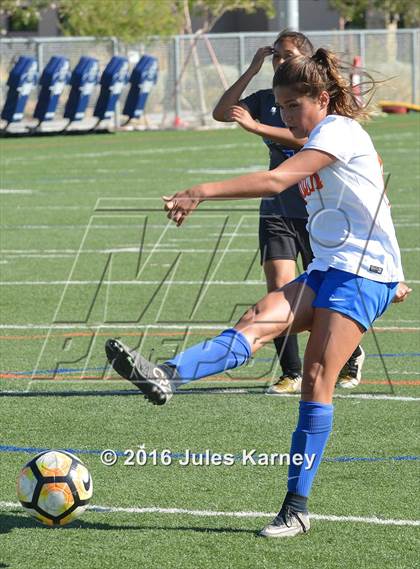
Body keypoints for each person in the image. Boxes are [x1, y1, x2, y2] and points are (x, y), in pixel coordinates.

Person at [105, 48, 410, 537]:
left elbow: (276, 180)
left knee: (314, 378)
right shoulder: (322, 136)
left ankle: (296, 506)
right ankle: (168, 375)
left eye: (295, 105)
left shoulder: (337, 131)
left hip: (361, 274)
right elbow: (376, 196)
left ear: (323, 99)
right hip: (335, 267)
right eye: (282, 107)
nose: (287, 115)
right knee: (258, 318)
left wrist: (201, 189)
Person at [212, 30, 365, 393]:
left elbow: (309, 141)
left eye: (286, 55)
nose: (279, 61)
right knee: (279, 288)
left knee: (323, 295)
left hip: (320, 214)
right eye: (275, 56)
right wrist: (251, 69)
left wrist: (257, 127)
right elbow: (221, 113)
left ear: (305, 62)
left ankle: (351, 351)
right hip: (277, 211)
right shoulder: (269, 99)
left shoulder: (316, 107)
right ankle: (290, 372)